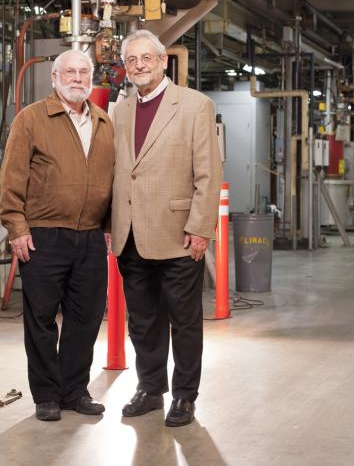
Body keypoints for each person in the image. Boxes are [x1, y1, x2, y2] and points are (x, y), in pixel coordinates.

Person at [110, 29, 222, 427]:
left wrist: (201, 227)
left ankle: (185, 396)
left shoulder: (194, 105)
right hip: (131, 235)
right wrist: (111, 223)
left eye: (146, 58)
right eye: (131, 60)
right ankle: (150, 388)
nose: (139, 65)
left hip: (179, 233)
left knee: (184, 320)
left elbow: (209, 172)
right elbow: (118, 172)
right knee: (142, 320)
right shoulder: (119, 110)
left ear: (162, 61)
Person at [0, 50, 114, 422]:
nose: (77, 78)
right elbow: (11, 179)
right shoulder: (31, 119)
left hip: (91, 236)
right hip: (44, 236)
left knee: (86, 319)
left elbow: (111, 180)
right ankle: (46, 395)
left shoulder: (102, 122)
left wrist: (109, 226)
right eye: (70, 72)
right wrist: (17, 227)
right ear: (54, 78)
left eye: (84, 71)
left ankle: (75, 391)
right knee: (42, 320)